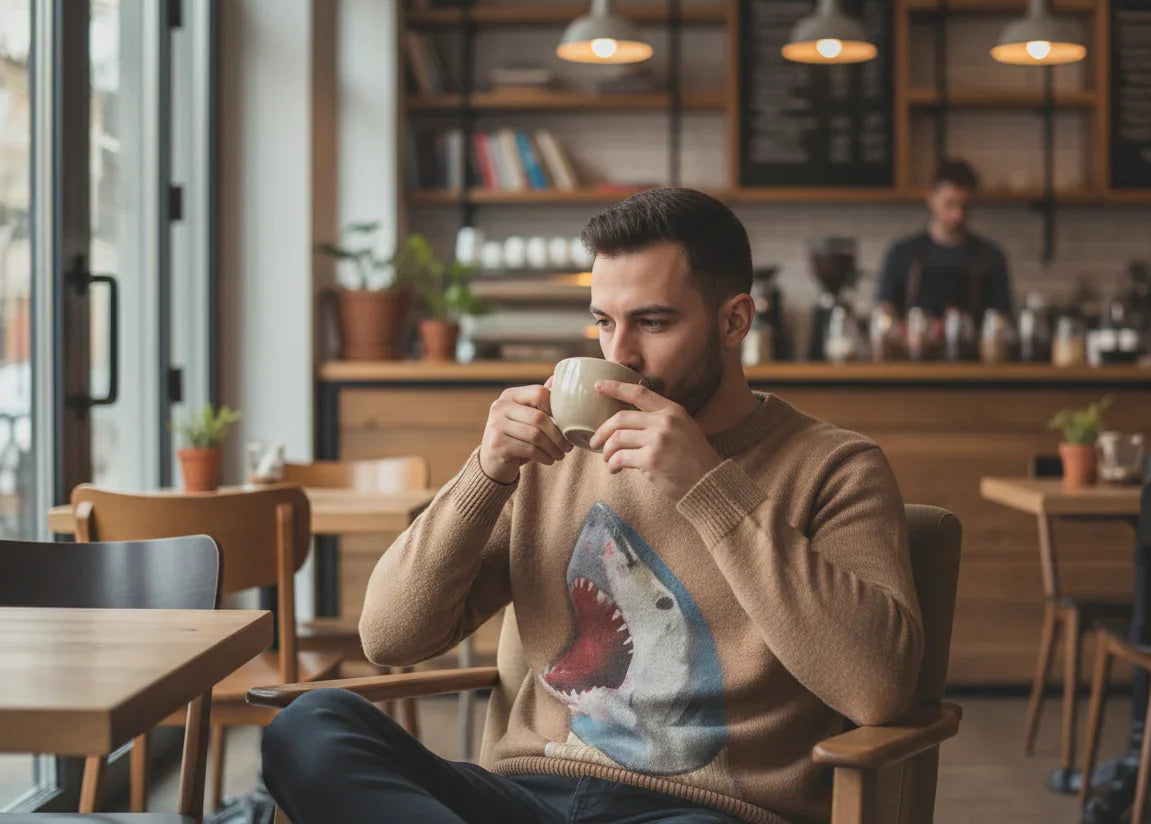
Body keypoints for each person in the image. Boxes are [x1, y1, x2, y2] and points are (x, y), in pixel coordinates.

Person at [262, 188, 924, 824]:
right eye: (605, 322)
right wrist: (485, 473)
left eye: (652, 322)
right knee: (309, 728)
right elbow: (389, 637)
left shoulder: (835, 467)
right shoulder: (558, 459)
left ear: (735, 321)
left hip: (703, 812)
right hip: (524, 797)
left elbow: (876, 688)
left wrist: (708, 487)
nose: (619, 355)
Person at [876, 159, 1013, 322]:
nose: (958, 215)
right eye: (950, 204)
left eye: (965, 206)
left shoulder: (991, 256)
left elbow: (1003, 317)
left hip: (971, 346)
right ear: (931, 199)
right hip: (914, 345)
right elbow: (885, 310)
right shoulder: (901, 253)